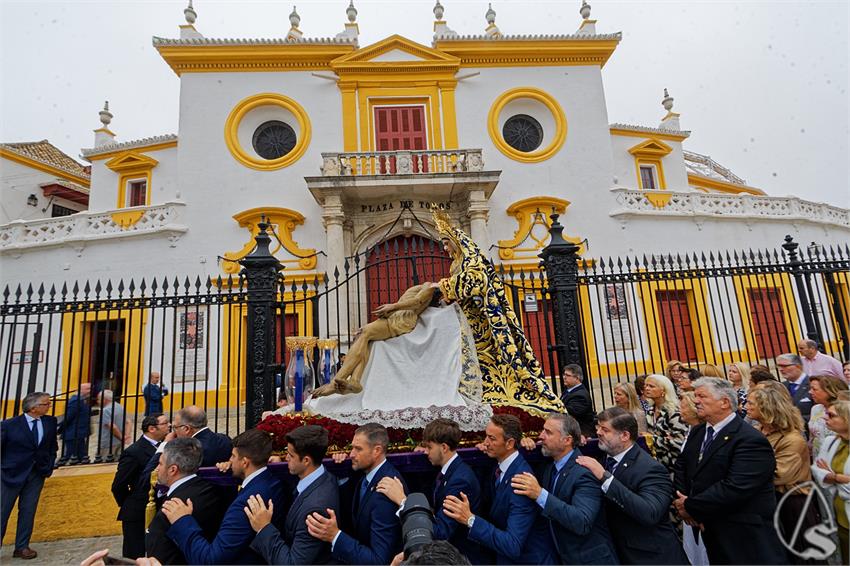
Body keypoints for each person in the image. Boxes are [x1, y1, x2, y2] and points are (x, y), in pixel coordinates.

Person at [432, 207, 564, 415]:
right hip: (467, 320)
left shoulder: (472, 259)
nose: (446, 249)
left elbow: (477, 281)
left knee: (488, 356)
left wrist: (446, 286)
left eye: (447, 243)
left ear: (456, 241)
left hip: (482, 321)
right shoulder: (456, 263)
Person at [673, 377, 786, 565]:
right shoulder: (698, 432)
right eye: (695, 396)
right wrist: (682, 502)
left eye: (701, 396)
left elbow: (736, 487)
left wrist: (691, 505)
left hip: (742, 533)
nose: (696, 401)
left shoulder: (749, 439)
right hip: (708, 527)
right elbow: (682, 467)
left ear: (724, 402)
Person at [576, 408, 686, 565]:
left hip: (650, 557)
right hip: (617, 552)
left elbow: (650, 512)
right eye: (598, 427)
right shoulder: (602, 458)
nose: (598, 432)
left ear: (625, 436)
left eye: (605, 429)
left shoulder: (651, 469)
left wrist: (606, 478)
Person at [443, 414, 556, 565]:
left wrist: (470, 519)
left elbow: (512, 545)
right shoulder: (499, 467)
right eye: (486, 437)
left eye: (492, 439)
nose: (485, 443)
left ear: (509, 443)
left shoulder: (521, 483)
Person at [163, 428, 283, 564]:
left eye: (232, 456)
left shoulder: (247, 503)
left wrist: (182, 521)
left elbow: (211, 560)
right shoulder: (272, 482)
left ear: (245, 462)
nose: (229, 460)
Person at [511, 413, 616, 565]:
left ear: (567, 440)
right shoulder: (549, 467)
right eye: (543, 430)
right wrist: (523, 443)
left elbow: (582, 521)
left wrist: (540, 494)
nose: (541, 436)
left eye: (548, 432)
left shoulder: (584, 473)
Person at [376, 418, 482, 562]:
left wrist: (403, 501)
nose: (426, 452)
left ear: (444, 447)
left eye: (429, 447)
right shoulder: (450, 471)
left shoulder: (459, 481)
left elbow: (440, 532)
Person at [313, 283, 440, 397]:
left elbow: (417, 302)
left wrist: (393, 306)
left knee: (365, 334)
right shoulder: (427, 289)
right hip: (396, 318)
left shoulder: (430, 286)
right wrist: (390, 311)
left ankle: (335, 383)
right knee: (365, 339)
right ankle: (355, 381)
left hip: (400, 320)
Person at [306, 422, 407, 565]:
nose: (351, 454)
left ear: (376, 451)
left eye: (358, 449)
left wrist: (335, 536)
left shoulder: (386, 491)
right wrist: (340, 467)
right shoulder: (365, 475)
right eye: (351, 448)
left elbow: (379, 561)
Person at [245, 425, 340, 565]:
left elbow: (292, 563)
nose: (286, 458)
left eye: (291, 455)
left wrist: (263, 527)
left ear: (306, 460)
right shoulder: (323, 476)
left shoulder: (315, 510)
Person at [746, 386, 818, 564]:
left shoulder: (792, 439)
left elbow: (781, 474)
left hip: (791, 504)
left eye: (750, 403)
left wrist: (743, 473)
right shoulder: (756, 431)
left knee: (800, 554)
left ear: (766, 408)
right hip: (770, 502)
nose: (745, 405)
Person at [145, 438, 227, 564]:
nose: (157, 468)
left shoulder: (174, 505)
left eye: (160, 464)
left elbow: (161, 552)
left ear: (172, 469)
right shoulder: (208, 490)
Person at [0, 392, 58, 560]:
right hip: (11, 474)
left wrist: (49, 465)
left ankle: (22, 546)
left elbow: (52, 446)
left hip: (36, 474)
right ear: (34, 408)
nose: (49, 406)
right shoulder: (9, 425)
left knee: (28, 511)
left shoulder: (49, 422)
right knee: (3, 511)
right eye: (46, 404)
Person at [111, 413, 170, 559]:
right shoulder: (134, 452)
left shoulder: (167, 446)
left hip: (160, 508)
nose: (169, 425)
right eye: (165, 423)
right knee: (136, 553)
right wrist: (131, 502)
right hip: (138, 511)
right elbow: (119, 485)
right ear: (152, 428)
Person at [811, 399, 850, 564]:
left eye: (832, 415)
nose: (825, 418)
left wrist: (831, 476)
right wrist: (837, 478)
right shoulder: (831, 441)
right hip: (838, 513)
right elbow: (817, 469)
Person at [676, 392, 708, 566]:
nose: (680, 410)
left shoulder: (703, 434)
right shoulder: (691, 432)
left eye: (683, 406)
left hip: (697, 502)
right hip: (686, 500)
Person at [642, 374, 687, 472]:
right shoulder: (650, 410)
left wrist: (651, 439)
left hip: (674, 466)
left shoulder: (674, 412)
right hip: (656, 464)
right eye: (646, 385)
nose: (647, 388)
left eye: (651, 386)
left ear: (663, 390)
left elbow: (679, 443)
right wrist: (663, 439)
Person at [808, 375, 849, 459]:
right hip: (819, 456)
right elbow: (812, 435)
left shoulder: (844, 410)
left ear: (829, 391)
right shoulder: (816, 409)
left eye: (814, 389)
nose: (810, 392)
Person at [559, 364, 596, 438]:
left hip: (580, 435)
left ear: (577, 378)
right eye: (564, 374)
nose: (564, 377)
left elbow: (568, 412)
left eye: (567, 375)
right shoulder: (569, 390)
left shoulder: (580, 395)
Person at [778, 353, 814, 423]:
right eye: (779, 366)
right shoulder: (781, 387)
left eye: (784, 366)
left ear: (798, 366)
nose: (781, 369)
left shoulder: (812, 384)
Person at [61, 382, 92, 463]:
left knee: (81, 456)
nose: (90, 391)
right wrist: (60, 428)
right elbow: (69, 417)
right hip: (73, 433)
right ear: (80, 389)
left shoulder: (82, 400)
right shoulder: (75, 401)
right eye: (88, 389)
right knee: (68, 456)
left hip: (79, 433)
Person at [97, 389, 128, 458]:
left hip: (108, 442)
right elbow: (128, 422)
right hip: (119, 442)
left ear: (104, 399)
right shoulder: (119, 406)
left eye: (99, 399)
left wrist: (122, 437)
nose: (97, 401)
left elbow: (112, 426)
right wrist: (126, 436)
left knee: (104, 462)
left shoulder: (105, 410)